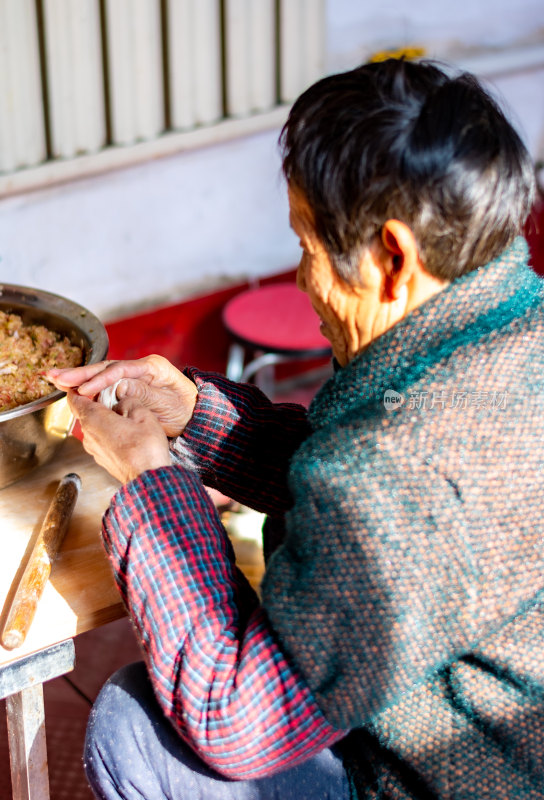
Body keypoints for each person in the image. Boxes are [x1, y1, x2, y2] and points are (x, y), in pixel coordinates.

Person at [48, 58, 544, 799]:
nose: (304, 275)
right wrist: (193, 412)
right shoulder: (503, 319)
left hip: (456, 775)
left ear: (392, 256)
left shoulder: (417, 466)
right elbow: (347, 487)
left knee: (133, 724)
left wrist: (156, 483)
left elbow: (238, 721)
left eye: (308, 248)